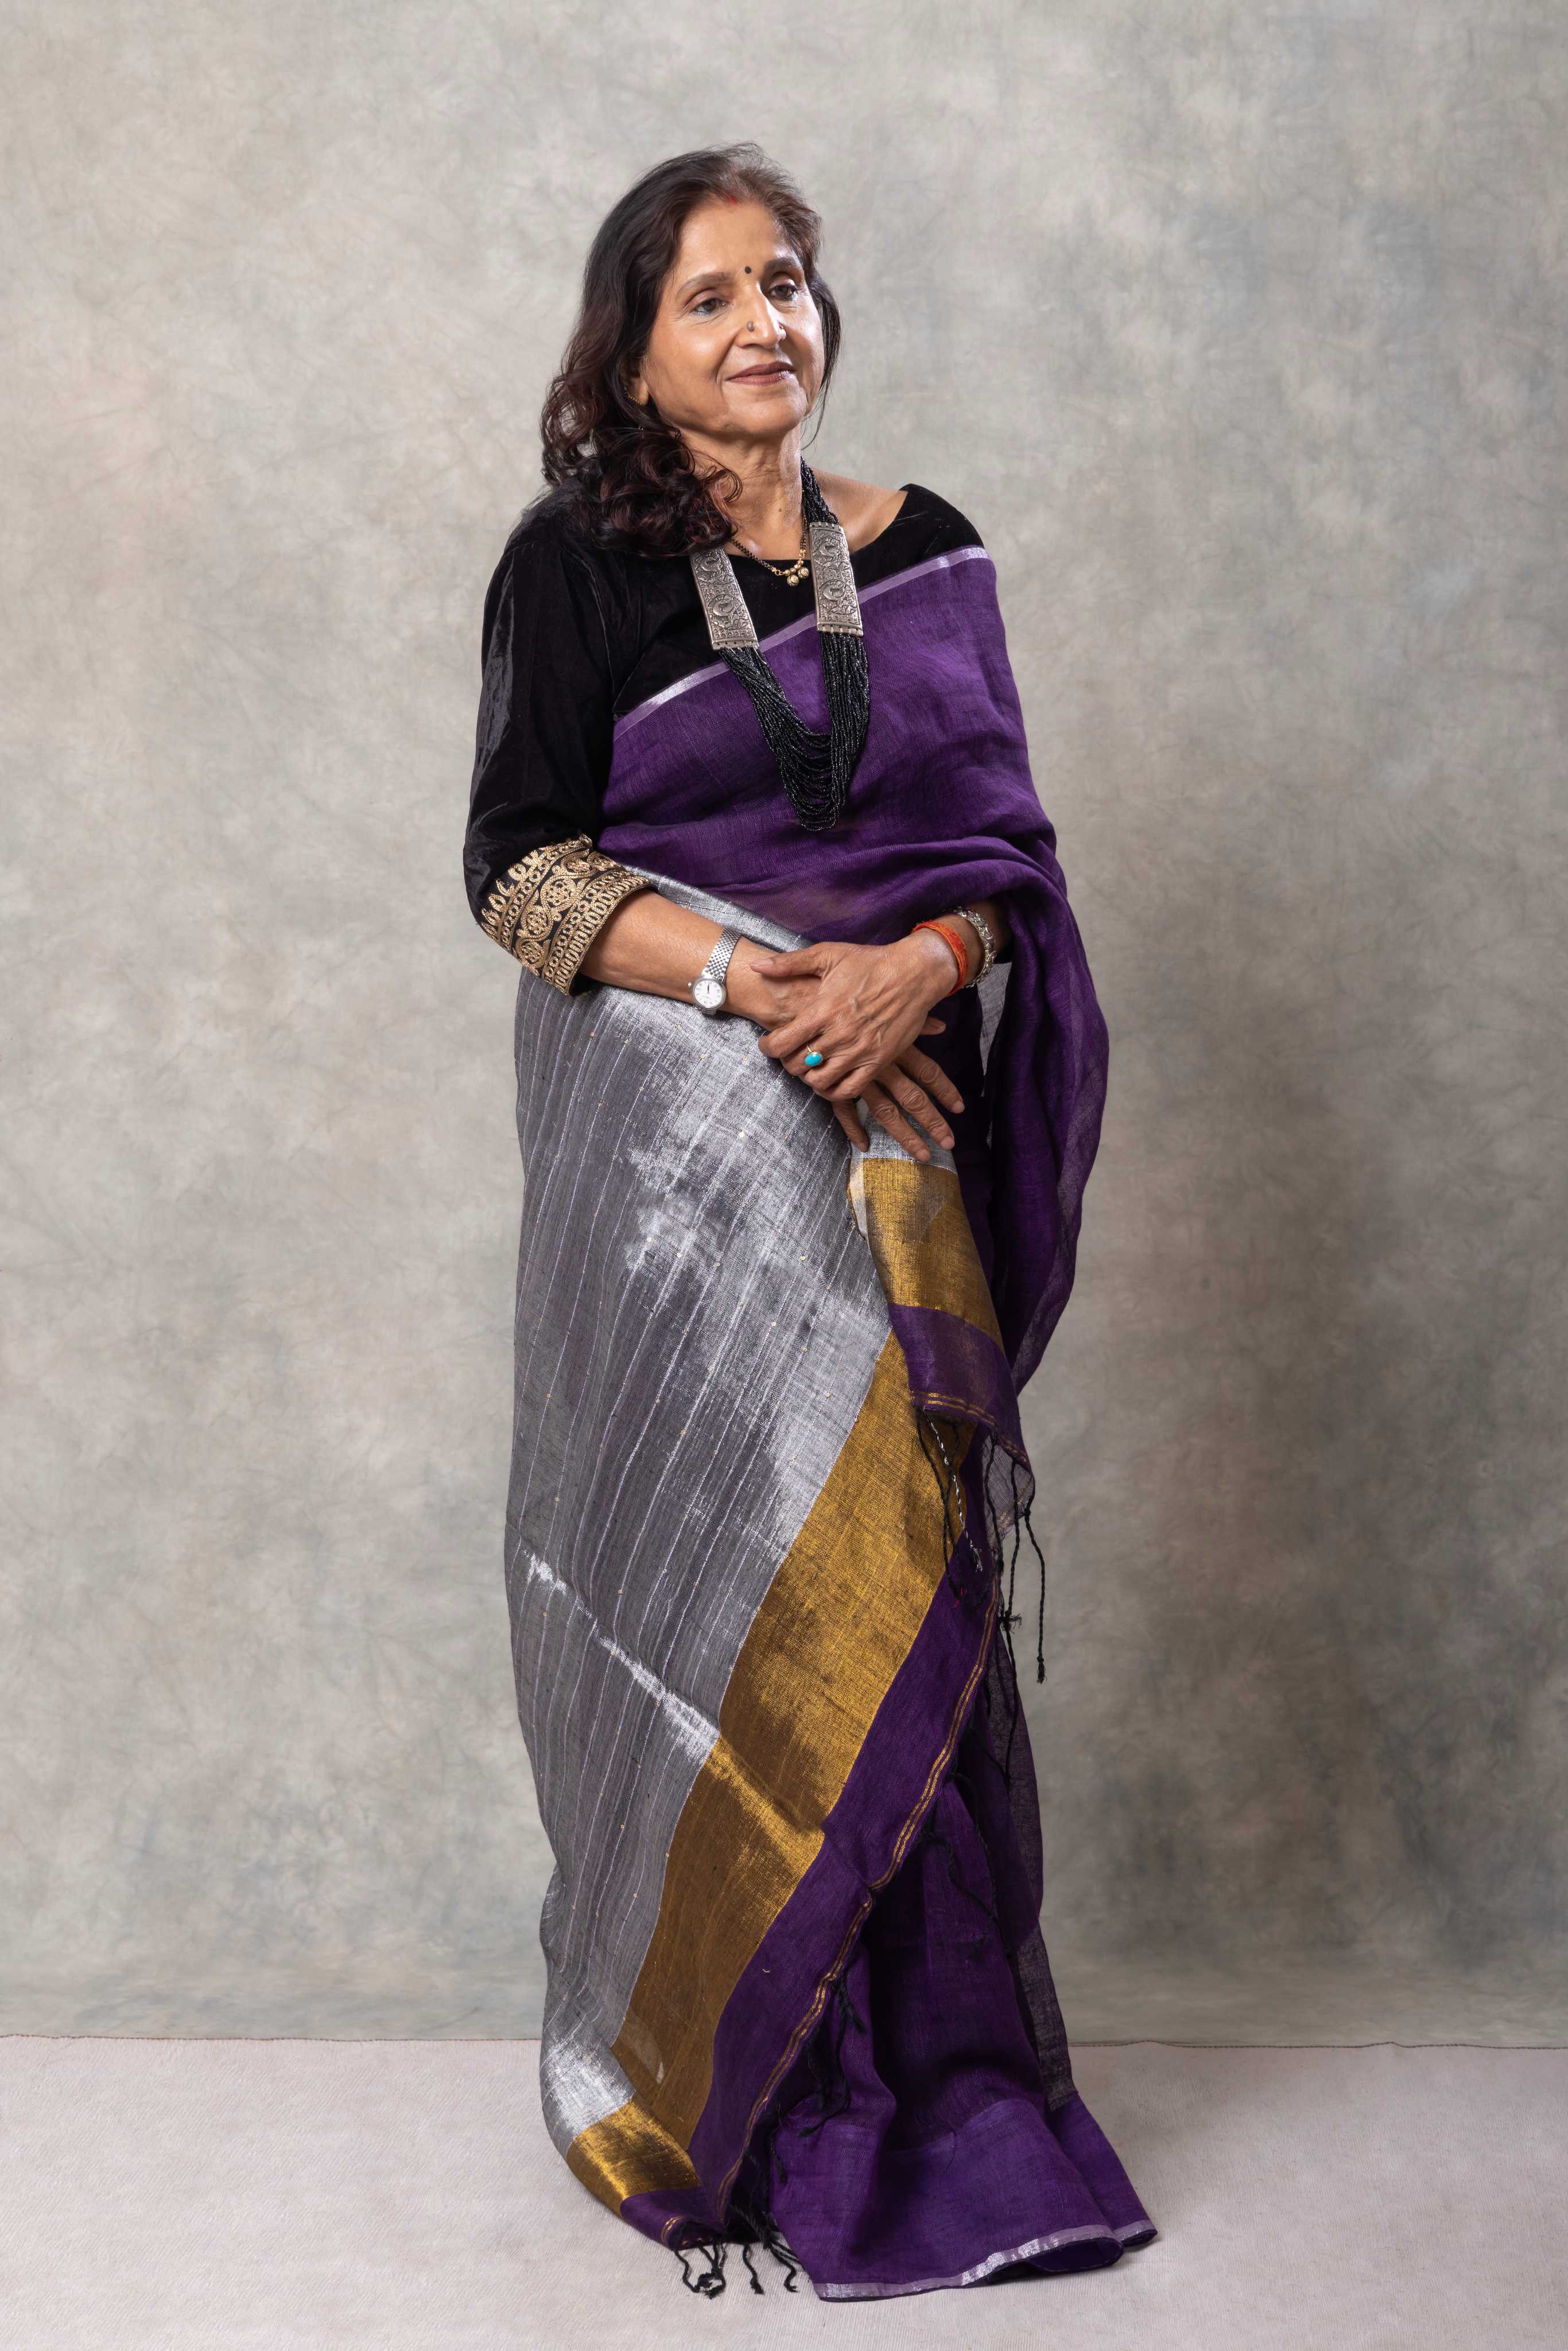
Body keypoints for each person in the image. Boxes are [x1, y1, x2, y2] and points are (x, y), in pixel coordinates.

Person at [463, 142, 1155, 2303]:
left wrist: (916, 976)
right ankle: (737, 2091)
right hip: (684, 1184)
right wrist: (760, 988)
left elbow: (1004, 857)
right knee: (727, 1596)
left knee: (900, 1582)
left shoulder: (925, 550)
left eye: (789, 281)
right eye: (710, 297)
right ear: (634, 350)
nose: (766, 321)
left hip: (903, 1144)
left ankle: (948, 2094)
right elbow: (517, 870)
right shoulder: (570, 568)